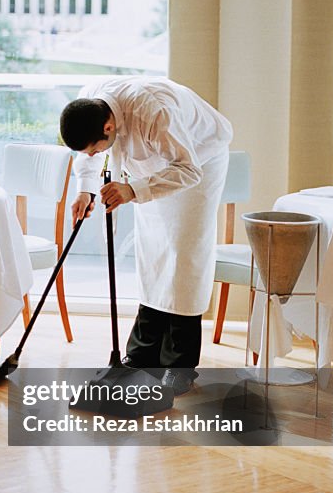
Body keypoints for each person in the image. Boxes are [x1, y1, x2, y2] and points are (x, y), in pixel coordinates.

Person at [59, 76, 232, 396]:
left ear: (108, 128)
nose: (95, 155)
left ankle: (179, 367)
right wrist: (84, 190)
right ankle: (142, 356)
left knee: (184, 258)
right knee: (152, 255)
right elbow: (86, 155)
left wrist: (132, 190)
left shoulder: (154, 112)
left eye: (98, 148)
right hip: (151, 164)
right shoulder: (89, 105)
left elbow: (187, 169)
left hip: (199, 161)